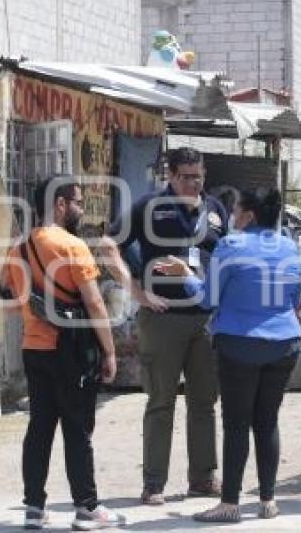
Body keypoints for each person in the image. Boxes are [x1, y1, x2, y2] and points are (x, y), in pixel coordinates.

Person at [155, 187, 301, 523]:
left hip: (239, 345)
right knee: (267, 423)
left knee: (236, 424)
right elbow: (295, 298)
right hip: (284, 344)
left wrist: (185, 275)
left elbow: (207, 300)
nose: (231, 215)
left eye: (235, 210)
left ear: (249, 214)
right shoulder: (289, 247)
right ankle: (267, 501)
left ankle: (230, 504)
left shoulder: (230, 246)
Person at [0, 175, 124, 530]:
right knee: (76, 430)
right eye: (78, 202)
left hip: (34, 350)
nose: (81, 209)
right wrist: (110, 352)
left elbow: (10, 302)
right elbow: (95, 304)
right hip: (71, 352)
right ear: (60, 205)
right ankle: (87, 508)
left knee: (39, 428)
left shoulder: (18, 248)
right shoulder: (72, 246)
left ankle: (34, 509)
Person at [108, 147, 228, 505]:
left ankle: (203, 478)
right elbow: (108, 245)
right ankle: (154, 483)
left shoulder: (216, 210)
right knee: (161, 402)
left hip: (206, 320)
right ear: (171, 176)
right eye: (187, 176)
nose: (195, 183)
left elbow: (227, 256)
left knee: (204, 402)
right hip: (163, 319)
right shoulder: (149, 208)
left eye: (199, 175)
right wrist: (137, 293)